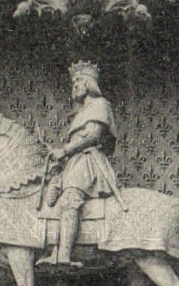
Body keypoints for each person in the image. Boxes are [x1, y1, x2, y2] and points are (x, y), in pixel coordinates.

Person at [38, 60, 123, 267]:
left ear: (89, 83)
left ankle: (65, 255)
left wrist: (64, 150)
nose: (74, 85)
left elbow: (93, 135)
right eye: (73, 81)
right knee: (52, 198)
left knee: (70, 197)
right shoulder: (80, 112)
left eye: (78, 80)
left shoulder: (100, 104)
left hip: (89, 162)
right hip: (74, 162)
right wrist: (58, 155)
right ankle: (55, 249)